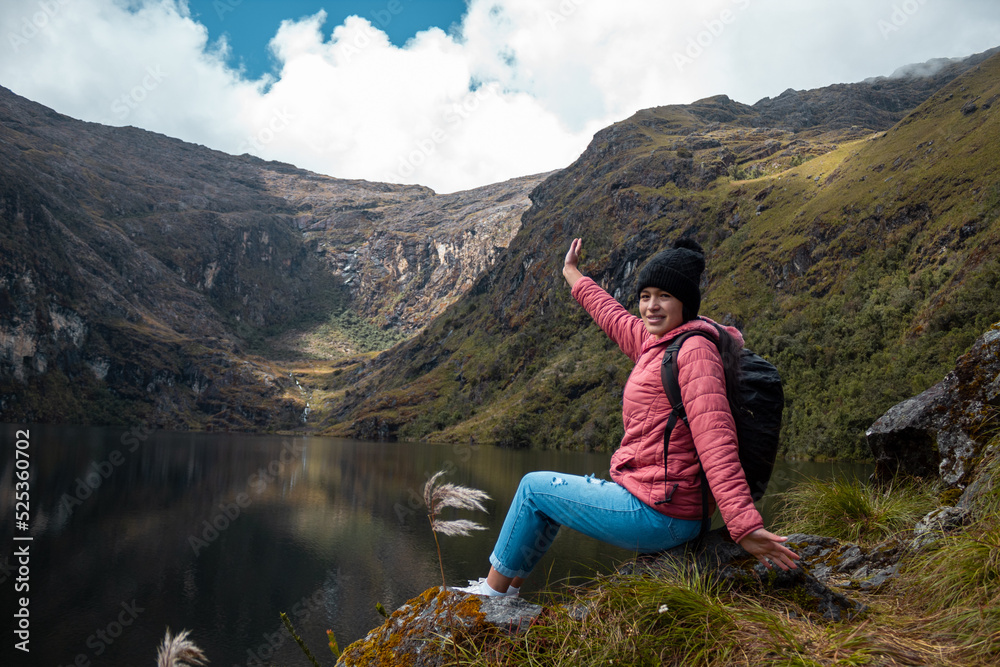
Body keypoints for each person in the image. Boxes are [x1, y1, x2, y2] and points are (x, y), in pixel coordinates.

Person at [459, 237, 799, 597]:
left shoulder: (694, 352)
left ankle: (489, 599)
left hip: (663, 515)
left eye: (664, 296)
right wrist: (571, 272)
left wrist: (744, 527)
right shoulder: (659, 343)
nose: (651, 306)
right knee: (545, 501)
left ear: (686, 302)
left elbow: (716, 440)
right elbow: (611, 314)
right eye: (645, 295)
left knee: (532, 489)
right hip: (661, 503)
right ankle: (509, 589)